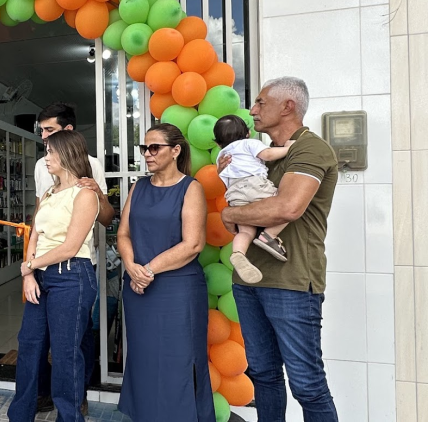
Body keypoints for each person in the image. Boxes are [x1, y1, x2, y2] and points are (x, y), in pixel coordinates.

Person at [220, 77, 339, 421]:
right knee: (263, 376)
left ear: (288, 106)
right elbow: (246, 197)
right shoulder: (257, 152)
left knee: (307, 385)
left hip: (292, 282)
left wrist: (230, 214)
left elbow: (287, 207)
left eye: (260, 102)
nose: (252, 110)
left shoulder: (310, 149)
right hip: (248, 282)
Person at [116, 123, 215, 421]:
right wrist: (131, 267)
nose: (147, 153)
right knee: (144, 359)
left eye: (154, 147)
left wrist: (146, 271)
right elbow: (123, 234)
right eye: (144, 148)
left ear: (175, 151)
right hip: (138, 289)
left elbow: (193, 244)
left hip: (177, 291)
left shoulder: (191, 188)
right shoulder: (139, 186)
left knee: (178, 362)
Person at [7, 130, 100, 422]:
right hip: (41, 276)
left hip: (72, 276)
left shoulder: (85, 195)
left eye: (50, 152)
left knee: (65, 354)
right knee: (29, 346)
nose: (45, 158)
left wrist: (30, 265)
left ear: (67, 154)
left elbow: (71, 247)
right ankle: (19, 416)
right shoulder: (49, 192)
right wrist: (29, 273)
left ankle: (69, 417)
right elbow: (35, 234)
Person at [32, 102, 114, 414]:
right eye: (42, 132)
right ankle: (46, 392)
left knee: (77, 337)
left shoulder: (92, 165)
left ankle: (77, 396)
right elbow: (39, 214)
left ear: (68, 132)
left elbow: (106, 218)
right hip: (43, 264)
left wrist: (97, 193)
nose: (44, 138)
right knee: (41, 336)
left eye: (49, 131)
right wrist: (31, 260)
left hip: (77, 262)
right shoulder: (42, 165)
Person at [213, 114, 296, 284]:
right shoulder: (249, 143)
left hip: (235, 195)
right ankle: (269, 235)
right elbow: (268, 154)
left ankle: (238, 253)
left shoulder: (221, 156)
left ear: (218, 143)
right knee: (287, 207)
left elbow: (223, 177)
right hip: (255, 185)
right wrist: (289, 148)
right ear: (247, 133)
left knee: (245, 231)